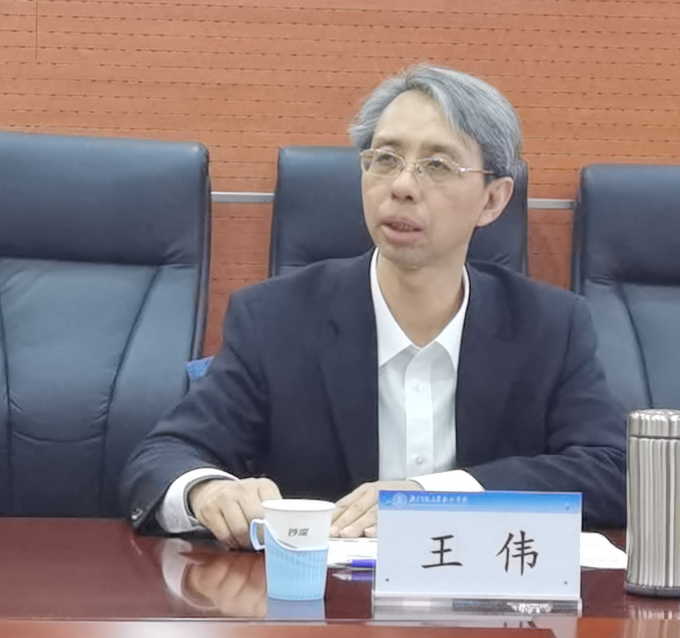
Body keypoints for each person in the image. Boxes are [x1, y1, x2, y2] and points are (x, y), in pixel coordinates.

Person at [120, 63, 626, 549]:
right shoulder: (276, 319)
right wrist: (208, 491)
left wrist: (434, 498)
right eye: (385, 159)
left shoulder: (549, 325)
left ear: (492, 200)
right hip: (321, 599)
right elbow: (163, 456)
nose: (402, 186)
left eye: (437, 165)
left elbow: (614, 470)